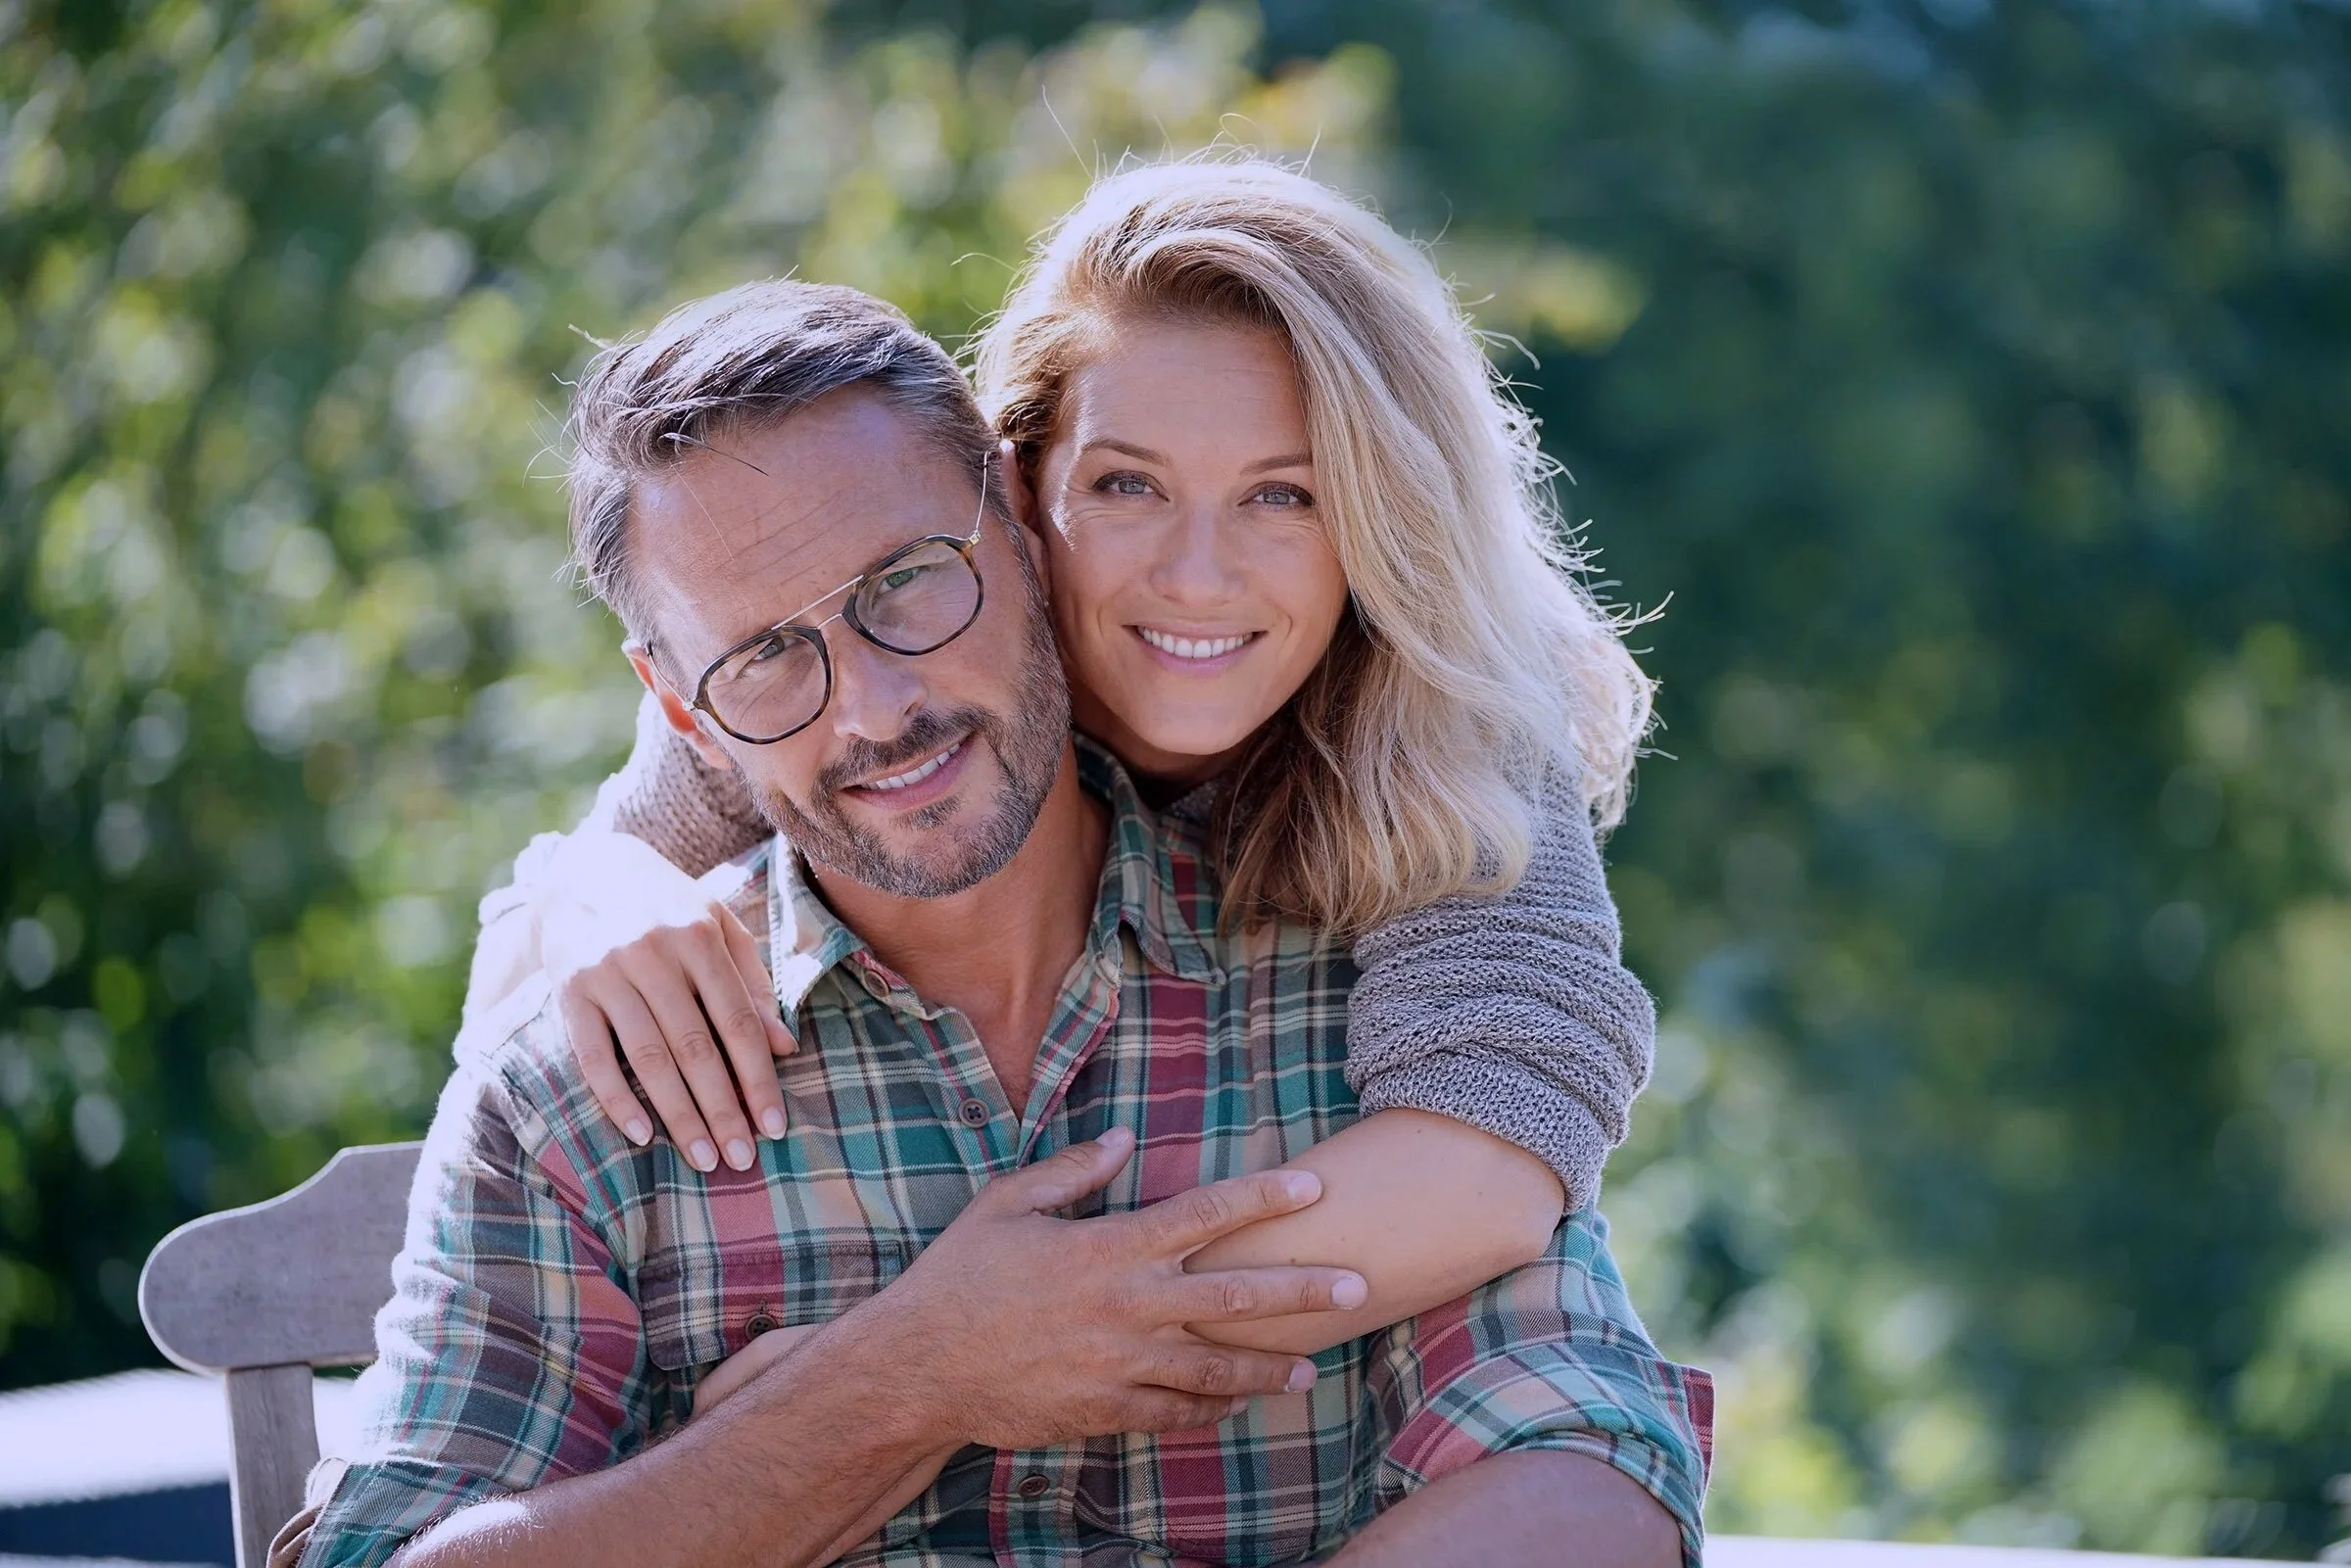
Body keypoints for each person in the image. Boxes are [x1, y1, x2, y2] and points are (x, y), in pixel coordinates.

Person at [284, 280, 1710, 1568]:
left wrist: (1010, 1342)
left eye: (907, 580)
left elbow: (1587, 1464)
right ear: (680, 712)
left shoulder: (1375, 979)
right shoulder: (592, 1093)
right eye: (767, 654)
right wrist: (900, 1380)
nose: (874, 707)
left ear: (1024, 529)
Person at [465, 158, 1661, 1366]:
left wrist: (914, 1380)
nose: (1197, 576)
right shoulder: (885, 673)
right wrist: (596, 890)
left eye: (1285, 496)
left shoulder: (1455, 719)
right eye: (1127, 483)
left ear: (1387, 514)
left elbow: (1485, 1166)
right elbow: (518, 992)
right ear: (1019, 484)